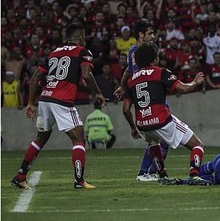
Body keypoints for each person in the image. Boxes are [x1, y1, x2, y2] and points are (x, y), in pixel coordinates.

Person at [11, 23, 107, 190]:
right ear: (79, 37)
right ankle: (79, 180)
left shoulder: (54, 52)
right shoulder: (82, 52)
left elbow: (35, 77)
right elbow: (86, 74)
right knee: (78, 138)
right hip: (62, 101)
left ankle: (20, 176)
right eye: (83, 36)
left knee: (40, 139)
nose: (85, 40)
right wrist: (98, 92)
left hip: (45, 98)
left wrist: (31, 103)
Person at [121, 43, 207, 183]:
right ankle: (194, 174)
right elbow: (183, 89)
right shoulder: (161, 72)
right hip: (161, 120)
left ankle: (162, 175)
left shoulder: (131, 80)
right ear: (154, 59)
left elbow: (125, 109)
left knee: (154, 143)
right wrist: (195, 82)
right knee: (198, 145)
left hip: (142, 124)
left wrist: (133, 127)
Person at [113, 18, 169, 182]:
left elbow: (128, 72)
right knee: (163, 139)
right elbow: (140, 75)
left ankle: (147, 172)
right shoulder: (141, 52)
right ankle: (148, 172)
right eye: (150, 33)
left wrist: (122, 86)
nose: (153, 36)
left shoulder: (133, 51)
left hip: (146, 98)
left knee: (157, 139)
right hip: (151, 98)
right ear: (141, 34)